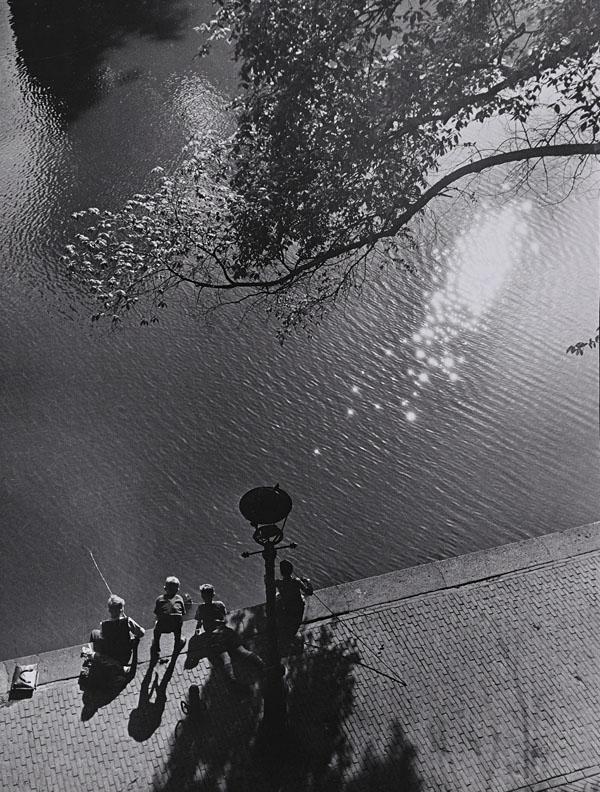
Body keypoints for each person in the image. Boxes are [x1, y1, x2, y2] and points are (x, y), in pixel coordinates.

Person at [275, 560, 313, 644]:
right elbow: (309, 592)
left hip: (288, 607)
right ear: (291, 571)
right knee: (302, 597)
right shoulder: (296, 581)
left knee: (277, 596)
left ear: (281, 573)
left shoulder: (278, 583)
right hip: (298, 607)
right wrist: (307, 581)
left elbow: (269, 584)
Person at [151, 576, 186, 661]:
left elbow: (157, 613)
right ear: (178, 590)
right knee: (178, 623)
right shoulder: (180, 599)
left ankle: (156, 646)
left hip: (163, 628)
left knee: (156, 628)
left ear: (165, 588)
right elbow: (183, 613)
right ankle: (177, 643)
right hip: (175, 628)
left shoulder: (159, 599)